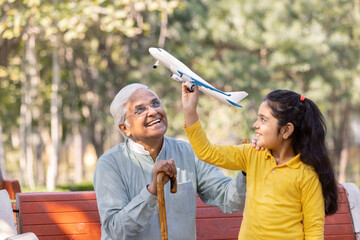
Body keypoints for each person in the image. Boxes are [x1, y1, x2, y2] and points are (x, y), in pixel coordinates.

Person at [181, 83, 338, 240]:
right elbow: (207, 152)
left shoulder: (306, 175)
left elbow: (313, 230)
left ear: (286, 130)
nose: (255, 125)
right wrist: (189, 110)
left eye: (263, 120)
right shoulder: (252, 154)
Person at [93, 83, 248, 240]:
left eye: (155, 103)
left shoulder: (189, 152)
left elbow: (232, 201)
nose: (153, 111)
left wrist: (246, 169)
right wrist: (152, 191)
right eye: (140, 110)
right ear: (125, 129)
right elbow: (116, 231)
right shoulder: (110, 164)